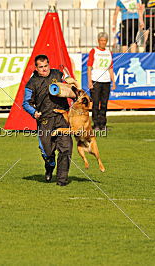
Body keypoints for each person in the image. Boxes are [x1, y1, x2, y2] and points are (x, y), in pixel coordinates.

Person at [22, 54, 75, 186]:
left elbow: (68, 78)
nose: (44, 69)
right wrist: (34, 112)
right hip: (45, 120)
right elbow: (25, 103)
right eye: (41, 67)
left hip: (62, 118)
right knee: (48, 151)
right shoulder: (32, 83)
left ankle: (62, 180)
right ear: (36, 68)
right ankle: (49, 165)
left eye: (46, 66)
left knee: (66, 148)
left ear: (49, 64)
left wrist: (68, 79)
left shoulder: (57, 74)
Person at [87, 32, 116, 131]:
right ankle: (96, 125)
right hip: (96, 80)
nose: (103, 42)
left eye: (105, 40)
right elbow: (89, 67)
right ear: (98, 41)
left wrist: (113, 81)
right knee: (95, 103)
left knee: (104, 104)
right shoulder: (93, 51)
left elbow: (110, 68)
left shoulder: (109, 52)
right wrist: (89, 81)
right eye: (101, 40)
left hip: (106, 81)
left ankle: (103, 124)